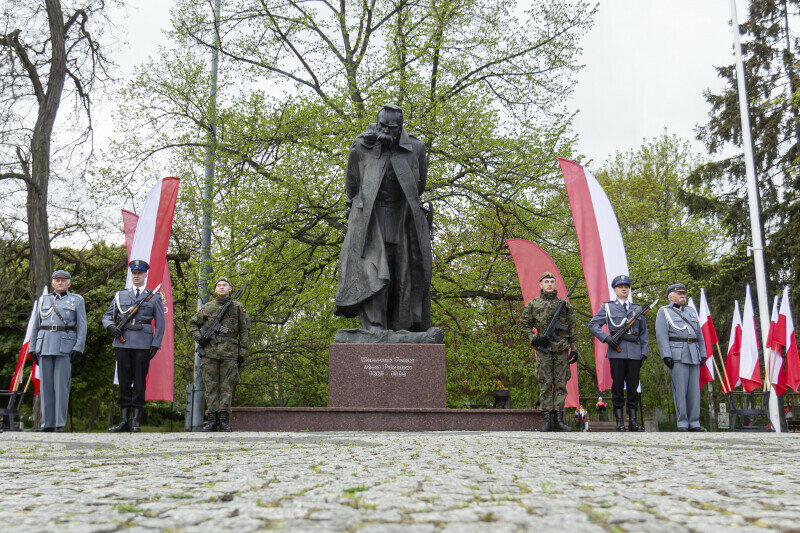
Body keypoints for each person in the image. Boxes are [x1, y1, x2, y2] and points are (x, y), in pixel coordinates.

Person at [334, 104, 432, 332]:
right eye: (382, 126)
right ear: (376, 123)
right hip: (370, 218)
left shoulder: (416, 148)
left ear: (401, 127)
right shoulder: (361, 145)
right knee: (373, 272)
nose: (386, 131)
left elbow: (420, 185)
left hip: (402, 219)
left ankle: (402, 328)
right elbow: (352, 184)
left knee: (403, 272)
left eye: (392, 128)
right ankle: (375, 327)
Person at [102, 260, 165, 433]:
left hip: (143, 343)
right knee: (123, 381)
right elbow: (107, 316)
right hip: (122, 341)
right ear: (131, 275)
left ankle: (136, 420)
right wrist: (110, 326)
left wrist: (156, 344)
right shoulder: (120, 295)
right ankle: (123, 420)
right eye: (134, 273)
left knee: (139, 381)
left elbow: (160, 323)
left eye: (140, 273)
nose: (136, 276)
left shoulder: (154, 297)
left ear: (145, 275)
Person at [519, 272, 579, 431]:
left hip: (561, 349)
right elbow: (524, 326)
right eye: (546, 281)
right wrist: (535, 339)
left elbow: (573, 328)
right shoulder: (533, 304)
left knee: (560, 384)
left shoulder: (564, 305)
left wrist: (575, 349)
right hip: (544, 350)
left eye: (552, 281)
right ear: (541, 285)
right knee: (545, 383)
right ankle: (546, 421)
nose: (550, 284)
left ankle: (559, 420)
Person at [588, 274, 649, 431]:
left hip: (635, 351)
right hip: (617, 351)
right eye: (620, 287)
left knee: (633, 387)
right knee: (617, 387)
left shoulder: (637, 309)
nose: (624, 289)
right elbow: (593, 324)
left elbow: (643, 333)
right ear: (614, 290)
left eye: (626, 287)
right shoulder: (608, 307)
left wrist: (644, 351)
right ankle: (620, 422)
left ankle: (633, 421)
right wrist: (607, 338)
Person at [28, 270, 87, 432]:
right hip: (45, 345)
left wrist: (78, 348)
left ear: (69, 283)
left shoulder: (77, 300)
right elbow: (36, 326)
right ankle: (47, 423)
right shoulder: (43, 300)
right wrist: (33, 348)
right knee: (45, 387)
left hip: (64, 347)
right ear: (53, 283)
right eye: (57, 280)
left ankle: (60, 423)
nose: (60, 283)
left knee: (61, 386)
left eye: (64, 280)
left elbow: (82, 326)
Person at [188, 277, 250, 432]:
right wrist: (199, 338)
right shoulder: (208, 307)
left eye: (225, 285)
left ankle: (224, 420)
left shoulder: (237, 307)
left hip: (230, 353)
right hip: (210, 354)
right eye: (219, 285)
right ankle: (211, 420)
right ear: (215, 290)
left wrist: (242, 352)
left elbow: (245, 331)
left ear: (230, 289)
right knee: (211, 387)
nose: (222, 287)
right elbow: (193, 324)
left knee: (227, 387)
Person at [655, 283, 706, 432]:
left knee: (694, 391)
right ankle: (682, 422)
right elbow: (662, 335)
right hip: (677, 354)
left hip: (694, 353)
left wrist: (702, 353)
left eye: (684, 293)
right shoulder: (664, 312)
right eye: (679, 293)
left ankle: (694, 422)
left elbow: (699, 334)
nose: (683, 296)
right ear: (671, 296)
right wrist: (666, 355)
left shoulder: (691, 311)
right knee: (680, 390)